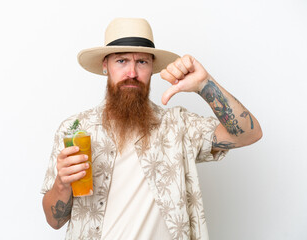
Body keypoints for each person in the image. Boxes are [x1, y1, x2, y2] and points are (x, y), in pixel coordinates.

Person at [41, 18, 262, 240]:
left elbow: (249, 133)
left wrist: (205, 85)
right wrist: (62, 183)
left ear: (152, 68)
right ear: (105, 66)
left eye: (142, 62)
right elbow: (54, 221)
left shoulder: (178, 126)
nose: (132, 73)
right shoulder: (74, 129)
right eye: (121, 61)